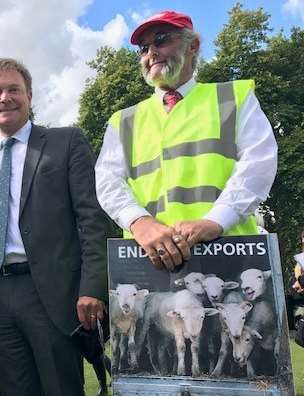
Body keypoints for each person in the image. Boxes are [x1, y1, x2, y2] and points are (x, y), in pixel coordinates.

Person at [0, 57, 109, 396]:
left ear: (29, 96)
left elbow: (91, 217)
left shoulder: (66, 142)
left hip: (52, 294)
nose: (5, 98)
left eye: (13, 89)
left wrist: (92, 286)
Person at [95, 10, 277, 269]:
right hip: (150, 262)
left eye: (161, 40)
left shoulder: (233, 98)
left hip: (228, 255)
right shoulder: (123, 120)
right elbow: (107, 182)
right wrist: (140, 222)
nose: (151, 53)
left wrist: (216, 220)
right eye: (144, 48)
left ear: (193, 46)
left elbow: (259, 164)